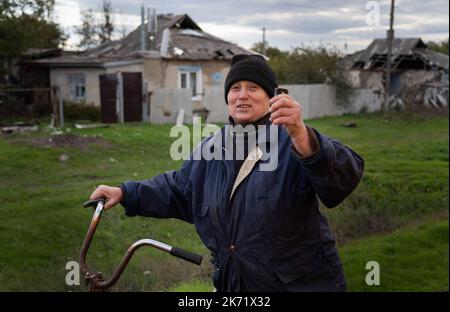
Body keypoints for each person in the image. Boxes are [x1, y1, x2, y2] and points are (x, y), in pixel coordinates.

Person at [90, 54, 364, 292]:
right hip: (235, 284)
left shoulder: (290, 140)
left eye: (253, 87)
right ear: (227, 98)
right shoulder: (213, 146)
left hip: (297, 285)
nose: (242, 95)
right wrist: (126, 192)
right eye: (235, 88)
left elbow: (341, 181)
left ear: (272, 97)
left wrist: (303, 136)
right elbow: (180, 189)